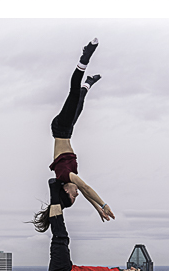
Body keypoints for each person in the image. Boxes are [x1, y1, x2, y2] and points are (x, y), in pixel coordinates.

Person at [31, 39, 116, 225]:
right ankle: (88, 83)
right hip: (67, 131)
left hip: (60, 128)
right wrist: (97, 209)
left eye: (73, 197)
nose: (76, 194)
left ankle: (84, 58)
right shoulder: (69, 179)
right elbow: (85, 193)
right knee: (80, 104)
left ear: (66, 191)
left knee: (73, 94)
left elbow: (85, 188)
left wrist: (104, 204)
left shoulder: (64, 175)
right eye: (76, 196)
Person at [35, 181, 148, 271]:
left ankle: (54, 190)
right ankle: (56, 192)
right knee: (61, 236)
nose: (133, 268)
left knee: (60, 236)